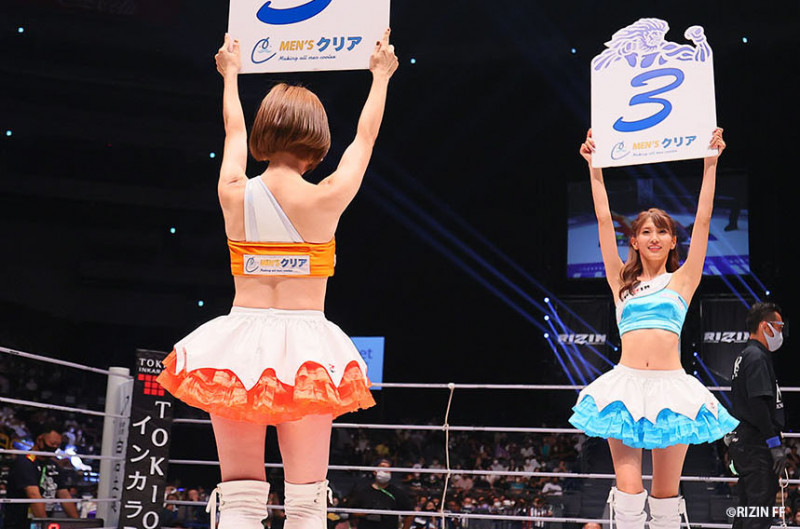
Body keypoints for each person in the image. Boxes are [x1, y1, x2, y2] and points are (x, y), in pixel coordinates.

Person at [156, 30, 399, 529]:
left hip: (236, 346)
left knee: (239, 500)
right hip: (306, 347)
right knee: (307, 503)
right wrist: (380, 76)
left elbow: (233, 132)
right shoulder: (327, 196)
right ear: (318, 141)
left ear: (265, 134)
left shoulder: (232, 191)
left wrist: (230, 75)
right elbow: (365, 139)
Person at [568, 128, 738, 529]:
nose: (655, 237)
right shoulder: (620, 281)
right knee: (627, 495)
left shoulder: (683, 280)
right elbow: (603, 218)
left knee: (665, 498)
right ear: (635, 241)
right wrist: (594, 166)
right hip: (625, 389)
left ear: (673, 240)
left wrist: (710, 163)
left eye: (662, 230)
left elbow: (703, 220)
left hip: (671, 391)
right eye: (646, 231)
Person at [728, 302, 787, 529]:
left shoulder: (746, 355)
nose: (781, 332)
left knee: (747, 510)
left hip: (747, 443)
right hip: (757, 446)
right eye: (779, 326)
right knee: (758, 514)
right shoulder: (756, 357)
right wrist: (774, 444)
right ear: (765, 326)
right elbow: (758, 404)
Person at [4, 423, 80, 529]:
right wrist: (45, 525)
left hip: (43, 523)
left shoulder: (53, 465)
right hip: (21, 525)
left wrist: (78, 524)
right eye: (52, 443)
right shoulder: (25, 462)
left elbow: (65, 496)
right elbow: (33, 495)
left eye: (57, 445)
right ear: (39, 439)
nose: (54, 447)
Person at [348, 459, 414, 529]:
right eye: (382, 467)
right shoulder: (362, 491)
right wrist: (368, 513)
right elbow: (351, 512)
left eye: (388, 469)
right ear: (374, 471)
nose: (385, 471)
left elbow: (410, 514)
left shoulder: (397, 493)